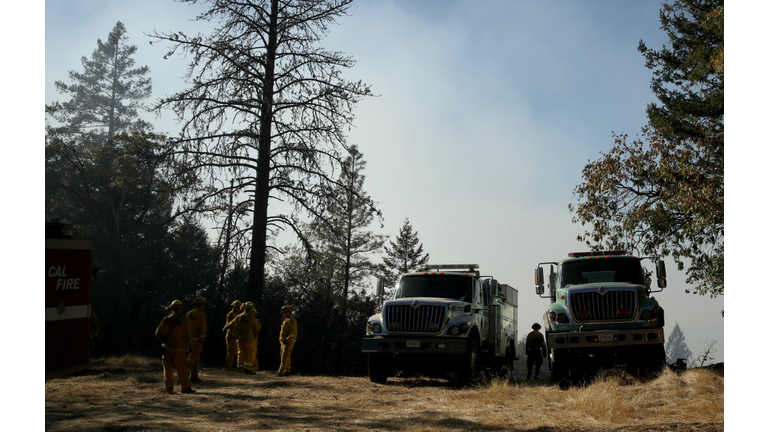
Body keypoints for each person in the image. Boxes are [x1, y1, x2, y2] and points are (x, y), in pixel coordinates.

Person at [155, 300, 195, 394]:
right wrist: (190, 347)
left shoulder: (166, 319)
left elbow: (157, 333)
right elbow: (188, 336)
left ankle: (168, 389)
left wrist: (163, 342)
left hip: (167, 349)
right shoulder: (183, 320)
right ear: (180, 309)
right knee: (182, 370)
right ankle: (185, 388)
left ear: (171, 309)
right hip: (179, 350)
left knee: (167, 370)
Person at [231, 301, 261, 375]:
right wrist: (255, 336)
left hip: (240, 339)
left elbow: (234, 326)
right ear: (250, 309)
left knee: (240, 353)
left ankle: (240, 368)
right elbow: (256, 328)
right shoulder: (251, 317)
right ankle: (247, 369)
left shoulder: (238, 316)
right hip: (249, 339)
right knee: (249, 354)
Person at [186, 297, 207, 382]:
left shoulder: (188, 314)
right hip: (197, 339)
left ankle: (194, 376)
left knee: (195, 358)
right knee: (192, 358)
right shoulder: (201, 315)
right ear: (201, 306)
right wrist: (201, 340)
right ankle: (183, 376)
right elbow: (202, 329)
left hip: (188, 339)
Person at [277, 305, 298, 377]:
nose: (284, 314)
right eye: (283, 312)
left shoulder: (292, 320)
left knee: (284, 356)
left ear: (289, 312)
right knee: (286, 355)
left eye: (285, 312)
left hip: (288, 341)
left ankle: (281, 372)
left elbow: (292, 332)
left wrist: (287, 339)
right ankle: (287, 370)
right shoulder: (286, 320)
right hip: (284, 341)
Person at [223, 300, 242, 371]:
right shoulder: (230, 314)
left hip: (236, 335)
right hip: (231, 335)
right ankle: (228, 366)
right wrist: (234, 332)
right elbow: (229, 325)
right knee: (231, 351)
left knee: (235, 351)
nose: (239, 308)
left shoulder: (237, 315)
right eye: (237, 307)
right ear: (234, 307)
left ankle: (230, 366)